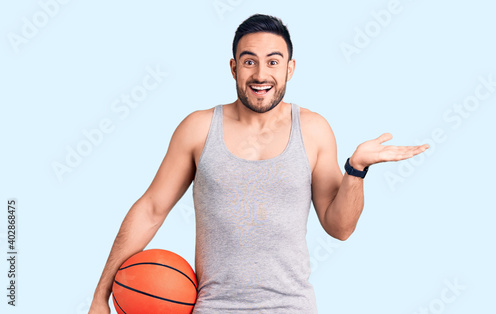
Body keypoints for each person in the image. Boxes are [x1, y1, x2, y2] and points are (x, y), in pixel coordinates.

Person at [89, 13, 429, 313]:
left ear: (289, 69)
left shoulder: (313, 130)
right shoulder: (197, 129)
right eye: (249, 61)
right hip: (215, 308)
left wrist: (356, 170)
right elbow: (151, 209)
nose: (261, 74)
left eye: (273, 61)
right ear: (234, 67)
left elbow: (340, 228)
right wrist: (100, 296)